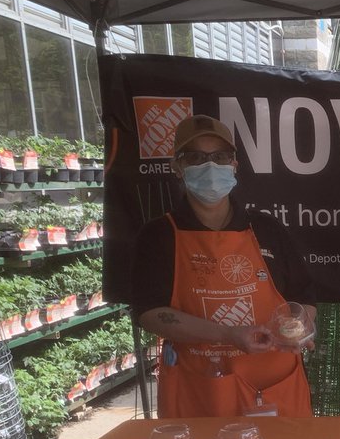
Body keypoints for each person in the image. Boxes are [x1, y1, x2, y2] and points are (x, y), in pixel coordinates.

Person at [131, 114, 316, 418]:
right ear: (177, 167)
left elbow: (304, 296)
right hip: (200, 393)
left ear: (234, 164)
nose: (210, 166)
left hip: (276, 389)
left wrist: (299, 327)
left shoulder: (267, 229)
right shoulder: (158, 236)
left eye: (220, 157)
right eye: (196, 158)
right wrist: (228, 334)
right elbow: (150, 314)